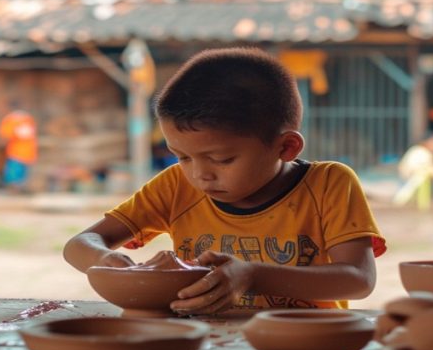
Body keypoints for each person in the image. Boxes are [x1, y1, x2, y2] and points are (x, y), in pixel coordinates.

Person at [63, 48, 386, 314]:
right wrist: (108, 260)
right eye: (183, 157)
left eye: (222, 160)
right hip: (205, 344)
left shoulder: (328, 184)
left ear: (285, 147)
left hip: (301, 345)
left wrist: (253, 276)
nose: (199, 174)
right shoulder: (176, 186)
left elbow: (358, 280)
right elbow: (78, 245)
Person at [0, 103, 38, 194]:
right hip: (17, 152)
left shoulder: (23, 120)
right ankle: (14, 187)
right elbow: (6, 134)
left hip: (23, 152)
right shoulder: (16, 120)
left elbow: (5, 134)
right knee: (15, 171)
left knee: (20, 171)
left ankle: (19, 187)